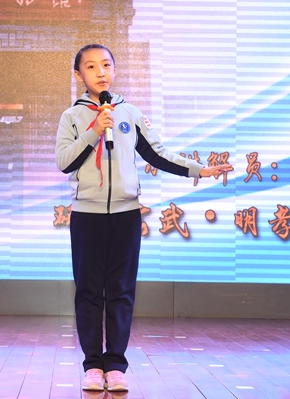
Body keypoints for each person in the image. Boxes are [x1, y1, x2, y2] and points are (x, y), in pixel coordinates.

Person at [55, 43, 233, 392]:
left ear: (115, 70)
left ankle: (115, 365)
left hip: (125, 214)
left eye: (106, 64)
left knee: (121, 291)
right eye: (90, 67)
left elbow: (158, 154)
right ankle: (92, 366)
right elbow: (65, 162)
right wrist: (95, 129)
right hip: (87, 215)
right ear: (78, 75)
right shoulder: (71, 117)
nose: (100, 72)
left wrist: (199, 169)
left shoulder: (131, 113)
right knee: (89, 292)